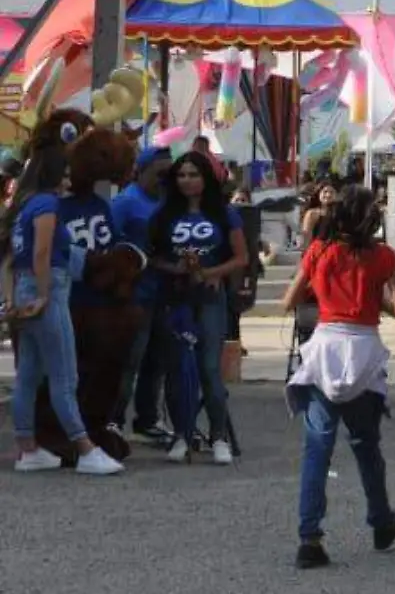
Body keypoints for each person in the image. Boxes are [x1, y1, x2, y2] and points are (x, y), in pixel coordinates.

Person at [283, 185, 395, 570]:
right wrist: (374, 298)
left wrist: (324, 293)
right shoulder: (384, 256)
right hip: (363, 350)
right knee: (366, 445)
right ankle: (381, 519)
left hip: (325, 348)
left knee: (317, 449)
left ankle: (310, 537)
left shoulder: (319, 251)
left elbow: (288, 301)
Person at [7, 155, 126, 476]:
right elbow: (42, 253)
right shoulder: (47, 204)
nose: (69, 182)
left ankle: (27, 447)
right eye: (66, 175)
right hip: (49, 287)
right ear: (53, 176)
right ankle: (85, 447)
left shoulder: (24, 207)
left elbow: (10, 259)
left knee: (29, 375)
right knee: (65, 376)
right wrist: (44, 294)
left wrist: (13, 299)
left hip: (23, 286)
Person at [150, 149, 248, 464]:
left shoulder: (224, 214)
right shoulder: (164, 216)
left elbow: (242, 257)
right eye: (181, 175)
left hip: (210, 298)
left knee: (209, 368)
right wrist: (175, 268)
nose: (187, 180)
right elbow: (149, 256)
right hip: (176, 298)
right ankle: (182, 435)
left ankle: (218, 436)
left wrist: (213, 273)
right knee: (178, 369)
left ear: (206, 178)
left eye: (193, 174)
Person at [109, 146, 170, 439]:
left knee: (156, 361)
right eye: (160, 173)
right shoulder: (125, 202)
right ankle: (114, 419)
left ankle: (147, 419)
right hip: (134, 297)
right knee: (129, 360)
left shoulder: (169, 202)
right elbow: (108, 244)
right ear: (142, 171)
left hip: (164, 294)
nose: (165, 178)